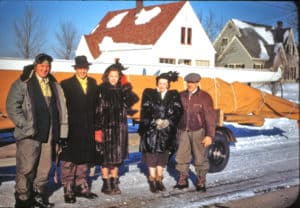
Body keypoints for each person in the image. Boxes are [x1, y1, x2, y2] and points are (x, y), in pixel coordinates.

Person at [6, 53, 68, 208]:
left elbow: (61, 109)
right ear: (35, 66)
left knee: (44, 168)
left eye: (47, 66)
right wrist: (24, 124)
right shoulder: (23, 82)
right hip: (29, 134)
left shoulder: (53, 84)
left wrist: (62, 134)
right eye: (42, 66)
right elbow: (12, 106)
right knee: (26, 168)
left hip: (49, 134)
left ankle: (38, 195)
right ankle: (23, 198)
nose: (45, 69)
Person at [94, 61, 139, 195]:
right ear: (107, 76)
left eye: (116, 76)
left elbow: (134, 99)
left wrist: (125, 85)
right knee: (105, 159)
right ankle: (106, 183)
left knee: (117, 159)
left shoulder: (122, 91)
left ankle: (114, 182)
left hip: (120, 130)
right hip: (105, 129)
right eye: (111, 75)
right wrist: (97, 128)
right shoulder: (101, 89)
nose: (113, 78)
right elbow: (97, 110)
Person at [59, 55, 98, 203]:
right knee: (69, 159)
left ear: (87, 68)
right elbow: (61, 108)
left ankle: (81, 185)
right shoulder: (66, 84)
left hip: (88, 127)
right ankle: (68, 187)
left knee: (84, 157)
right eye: (80, 68)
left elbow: (96, 106)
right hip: (71, 128)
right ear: (75, 69)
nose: (82, 70)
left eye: (85, 68)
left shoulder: (93, 83)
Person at [138, 71, 183, 193]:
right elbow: (145, 111)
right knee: (152, 156)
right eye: (160, 83)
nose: (162, 85)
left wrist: (169, 121)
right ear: (157, 83)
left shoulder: (173, 95)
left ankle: (159, 180)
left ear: (168, 85)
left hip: (166, 132)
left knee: (162, 157)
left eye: (165, 83)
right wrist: (154, 121)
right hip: (152, 131)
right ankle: (152, 181)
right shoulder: (150, 94)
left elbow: (178, 111)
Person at [174, 73, 216, 192]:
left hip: (198, 131)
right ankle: (183, 179)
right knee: (181, 156)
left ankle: (201, 180)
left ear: (198, 83)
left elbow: (210, 117)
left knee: (200, 157)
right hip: (183, 131)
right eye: (188, 82)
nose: (190, 85)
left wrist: (209, 135)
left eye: (192, 82)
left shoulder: (205, 97)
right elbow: (175, 113)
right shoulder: (181, 95)